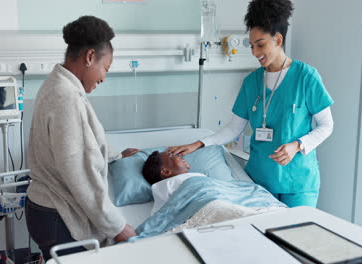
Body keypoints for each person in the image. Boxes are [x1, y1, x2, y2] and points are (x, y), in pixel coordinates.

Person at [169, 0, 334, 208]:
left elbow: (326, 126)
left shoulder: (306, 77)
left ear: (278, 39)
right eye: (252, 45)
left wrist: (297, 145)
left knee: (294, 237)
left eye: (261, 44)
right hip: (259, 181)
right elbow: (234, 128)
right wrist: (199, 143)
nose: (255, 52)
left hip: (299, 182)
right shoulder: (251, 82)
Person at [25, 16, 139, 261]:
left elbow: (76, 145)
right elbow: (81, 176)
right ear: (89, 57)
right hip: (59, 216)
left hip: (44, 211)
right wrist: (119, 227)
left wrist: (115, 156)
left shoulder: (56, 85)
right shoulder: (68, 99)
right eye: (105, 68)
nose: (103, 78)